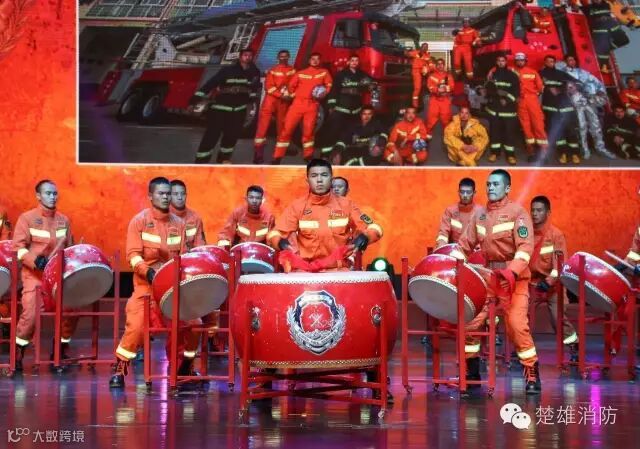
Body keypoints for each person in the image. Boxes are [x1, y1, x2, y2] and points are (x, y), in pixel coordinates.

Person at [266, 159, 388, 400]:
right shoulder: (297, 207)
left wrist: (366, 237)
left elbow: (375, 227)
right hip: (305, 275)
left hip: (339, 273)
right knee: (281, 314)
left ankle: (375, 376)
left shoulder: (346, 205)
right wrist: (280, 242)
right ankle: (268, 371)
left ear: (331, 178)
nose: (319, 180)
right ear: (307, 179)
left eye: (324, 175)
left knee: (362, 319)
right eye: (314, 175)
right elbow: (275, 233)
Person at [454, 169, 541, 395]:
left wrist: (511, 272)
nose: (490, 188)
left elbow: (525, 248)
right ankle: (472, 371)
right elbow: (464, 245)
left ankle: (531, 372)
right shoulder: (480, 215)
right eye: (488, 184)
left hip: (514, 281)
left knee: (516, 325)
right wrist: (450, 262)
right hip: (488, 279)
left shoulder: (518, 213)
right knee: (471, 323)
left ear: (507, 188)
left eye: (495, 184)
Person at [110, 177, 200, 389]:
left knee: (194, 325)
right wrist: (148, 272)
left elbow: (183, 257)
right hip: (146, 288)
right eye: (161, 193)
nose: (166, 197)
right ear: (150, 196)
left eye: (168, 193)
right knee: (136, 327)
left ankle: (184, 366)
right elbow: (133, 256)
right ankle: (120, 368)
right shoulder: (139, 222)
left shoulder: (179, 224)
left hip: (172, 289)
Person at [12, 180, 76, 371]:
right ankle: (18, 353)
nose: (53, 197)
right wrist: (34, 261)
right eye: (48, 193)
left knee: (71, 310)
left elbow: (70, 248)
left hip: (58, 277)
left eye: (55, 193)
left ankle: (59, 351)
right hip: (34, 276)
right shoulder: (27, 219)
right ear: (38, 196)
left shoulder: (64, 220)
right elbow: (18, 248)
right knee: (30, 314)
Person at [191, 48, 261, 164]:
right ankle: (201, 162)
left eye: (250, 55)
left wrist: (252, 99)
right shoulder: (228, 70)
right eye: (245, 55)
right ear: (240, 57)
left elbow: (254, 87)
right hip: (220, 108)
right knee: (211, 137)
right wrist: (197, 97)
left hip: (239, 110)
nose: (248, 57)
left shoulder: (254, 72)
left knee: (231, 137)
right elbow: (211, 83)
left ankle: (223, 160)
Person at [529, 196, 578, 360]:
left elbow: (560, 266)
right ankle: (521, 349)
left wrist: (549, 281)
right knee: (520, 315)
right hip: (532, 283)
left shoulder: (556, 235)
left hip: (553, 285)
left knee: (558, 318)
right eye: (533, 210)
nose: (535, 214)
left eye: (539, 210)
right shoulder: (526, 234)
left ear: (548, 212)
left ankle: (574, 346)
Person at [273, 53, 333, 164]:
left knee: (309, 132)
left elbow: (329, 85)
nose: (315, 61)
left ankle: (308, 155)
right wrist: (293, 95)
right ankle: (277, 156)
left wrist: (323, 93)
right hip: (297, 105)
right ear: (309, 61)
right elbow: (291, 87)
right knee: (286, 130)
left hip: (312, 105)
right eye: (313, 59)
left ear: (320, 61)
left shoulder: (324, 72)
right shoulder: (301, 73)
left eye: (317, 59)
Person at [557, 55, 616, 159]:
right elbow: (563, 88)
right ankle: (584, 150)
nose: (572, 61)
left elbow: (596, 82)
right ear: (565, 62)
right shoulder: (562, 73)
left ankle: (601, 148)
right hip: (576, 104)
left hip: (589, 102)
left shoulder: (582, 72)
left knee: (596, 126)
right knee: (581, 127)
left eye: (573, 59)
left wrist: (600, 92)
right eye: (569, 60)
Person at [320, 54, 375, 155]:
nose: (354, 62)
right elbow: (334, 90)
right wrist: (331, 106)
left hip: (355, 110)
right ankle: (325, 153)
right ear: (348, 62)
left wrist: (371, 86)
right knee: (333, 130)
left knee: (349, 132)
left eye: (356, 61)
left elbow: (372, 82)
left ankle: (342, 153)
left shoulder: (361, 74)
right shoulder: (341, 74)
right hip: (341, 108)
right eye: (352, 60)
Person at [253, 50, 296, 164]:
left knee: (282, 126)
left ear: (289, 57)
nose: (283, 58)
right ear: (278, 57)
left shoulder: (292, 70)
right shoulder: (273, 70)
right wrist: (282, 95)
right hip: (271, 100)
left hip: (283, 101)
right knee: (263, 126)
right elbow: (269, 87)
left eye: (285, 56)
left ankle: (281, 151)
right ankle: (258, 153)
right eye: (281, 56)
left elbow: (294, 85)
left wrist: (290, 95)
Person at [513, 52, 548, 162]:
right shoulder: (512, 71)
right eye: (518, 60)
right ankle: (531, 152)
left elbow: (540, 87)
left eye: (522, 60)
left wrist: (534, 95)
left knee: (538, 126)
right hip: (520, 101)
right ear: (515, 61)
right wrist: (491, 72)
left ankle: (543, 153)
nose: (520, 62)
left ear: (525, 61)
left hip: (532, 100)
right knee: (526, 127)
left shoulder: (533, 72)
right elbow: (498, 68)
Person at [485, 55, 520, 165]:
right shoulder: (492, 75)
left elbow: (516, 92)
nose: (501, 63)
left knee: (509, 133)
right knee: (494, 132)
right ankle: (495, 153)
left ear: (506, 62)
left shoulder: (512, 75)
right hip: (495, 109)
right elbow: (489, 89)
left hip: (509, 110)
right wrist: (497, 96)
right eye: (499, 60)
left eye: (503, 61)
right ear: (496, 62)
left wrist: (507, 99)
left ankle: (510, 155)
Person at [542, 79, 582, 164]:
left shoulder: (565, 94)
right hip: (554, 116)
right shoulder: (547, 95)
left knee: (572, 135)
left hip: (568, 116)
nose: (553, 90)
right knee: (559, 137)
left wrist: (574, 122)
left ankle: (575, 154)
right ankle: (563, 154)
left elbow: (572, 109)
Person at [435, 177, 483, 248]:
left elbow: (483, 236)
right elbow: (443, 233)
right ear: (458, 192)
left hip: (474, 251)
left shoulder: (481, 212)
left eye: (468, 192)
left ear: (474, 192)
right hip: (454, 250)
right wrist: (441, 247)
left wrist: (478, 249)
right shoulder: (450, 211)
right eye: (462, 192)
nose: (465, 195)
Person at [170, 180, 206, 250]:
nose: (180, 197)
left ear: (186, 195)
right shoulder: (163, 217)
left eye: (182, 194)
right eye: (175, 194)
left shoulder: (195, 218)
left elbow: (200, 247)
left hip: (190, 256)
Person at [425, 59, 454, 141]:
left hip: (445, 99)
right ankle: (428, 134)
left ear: (444, 65)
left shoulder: (448, 76)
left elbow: (452, 86)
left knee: (446, 118)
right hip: (434, 99)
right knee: (431, 117)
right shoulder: (431, 76)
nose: (440, 65)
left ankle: (447, 135)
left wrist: (445, 89)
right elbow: (429, 86)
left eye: (442, 64)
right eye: (438, 64)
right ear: (436, 66)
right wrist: (437, 90)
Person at [405, 43, 434, 108]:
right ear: (421, 47)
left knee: (427, 86)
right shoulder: (416, 52)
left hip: (424, 73)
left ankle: (425, 101)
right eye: (424, 47)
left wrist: (427, 69)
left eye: (426, 47)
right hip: (416, 71)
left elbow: (431, 66)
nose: (425, 48)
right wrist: (406, 51)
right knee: (417, 87)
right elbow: (407, 54)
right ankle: (415, 104)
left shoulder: (428, 56)